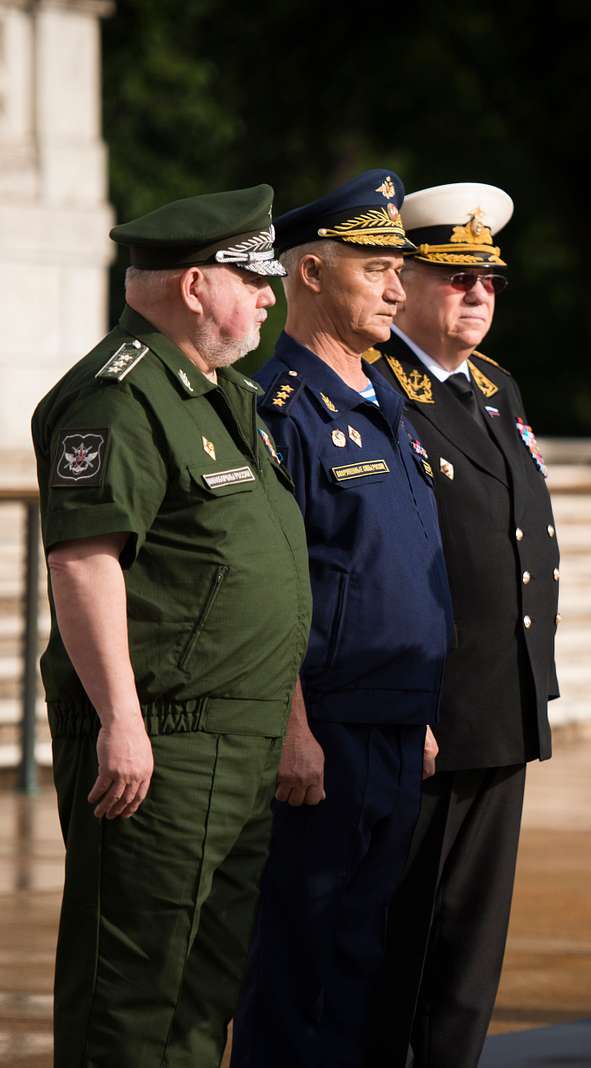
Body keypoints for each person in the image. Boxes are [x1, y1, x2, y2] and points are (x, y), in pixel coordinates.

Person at [31, 185, 311, 1066]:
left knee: (203, 992)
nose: (270, 296)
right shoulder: (117, 400)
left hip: (239, 737)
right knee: (132, 996)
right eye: (254, 279)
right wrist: (121, 720)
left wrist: (291, 719)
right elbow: (83, 563)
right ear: (195, 285)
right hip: (165, 746)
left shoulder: (218, 394)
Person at [231, 169, 453, 1067]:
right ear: (311, 274)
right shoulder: (277, 410)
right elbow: (269, 590)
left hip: (395, 723)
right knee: (299, 967)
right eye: (377, 268)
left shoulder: (385, 399)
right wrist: (292, 731)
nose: (399, 287)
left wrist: (420, 710)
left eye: (401, 269)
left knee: (363, 961)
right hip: (324, 732)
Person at [363, 182, 561, 1065]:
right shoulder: (381, 390)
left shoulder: (494, 385)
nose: (477, 293)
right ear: (405, 278)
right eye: (455, 276)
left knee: (472, 955)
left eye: (488, 278)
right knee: (399, 948)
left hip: (500, 705)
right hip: (426, 714)